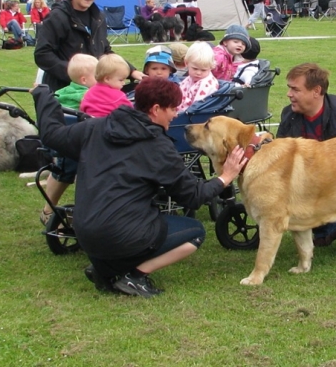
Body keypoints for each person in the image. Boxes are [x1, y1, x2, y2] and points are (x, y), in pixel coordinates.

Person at [32, 78, 247, 297]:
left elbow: (51, 135)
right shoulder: (158, 146)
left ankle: (105, 268)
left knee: (125, 223)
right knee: (195, 232)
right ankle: (133, 276)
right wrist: (225, 177)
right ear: (155, 109)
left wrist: (42, 95)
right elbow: (193, 197)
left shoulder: (95, 126)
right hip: (121, 235)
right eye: (172, 109)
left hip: (83, 231)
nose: (175, 115)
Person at [276, 63, 336, 255]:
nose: (289, 94)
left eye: (295, 89)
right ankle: (328, 228)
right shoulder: (289, 115)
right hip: (311, 176)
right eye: (289, 88)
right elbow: (282, 155)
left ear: (316, 91)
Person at [34, 0, 143, 92]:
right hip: (64, 92)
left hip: (94, 90)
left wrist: (131, 71)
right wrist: (77, 74)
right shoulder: (57, 17)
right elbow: (43, 55)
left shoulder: (99, 17)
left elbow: (105, 52)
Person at [40, 54, 98, 224]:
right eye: (99, 75)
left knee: (60, 175)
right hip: (84, 145)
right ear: (84, 79)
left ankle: (48, 210)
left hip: (62, 144)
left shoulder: (59, 94)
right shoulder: (90, 96)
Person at [177, 42, 220, 112]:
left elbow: (197, 108)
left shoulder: (206, 84)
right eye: (195, 68)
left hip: (190, 118)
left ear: (211, 67)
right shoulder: (189, 78)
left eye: (203, 70)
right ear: (186, 63)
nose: (198, 73)